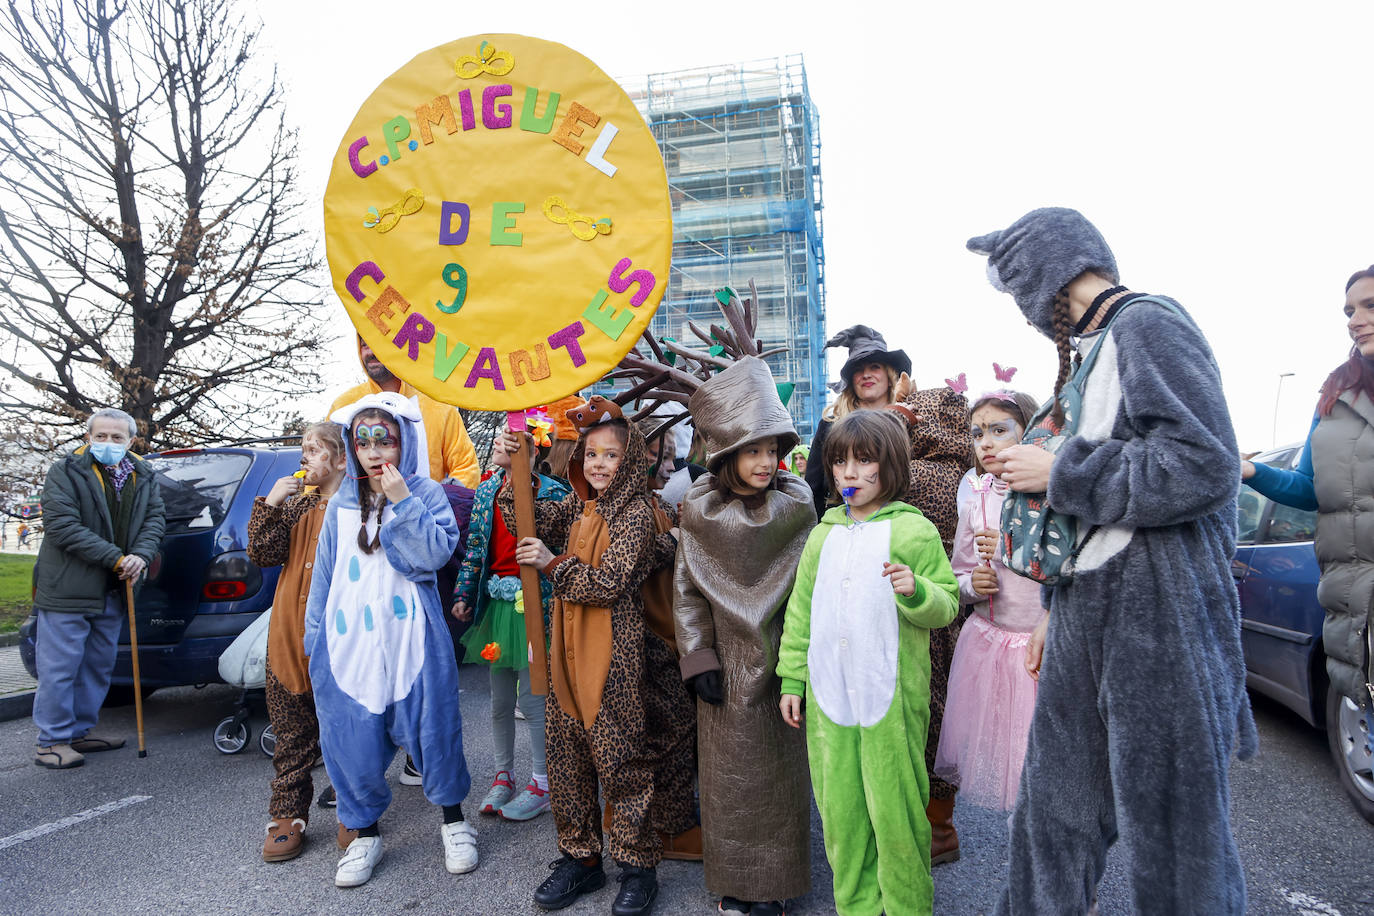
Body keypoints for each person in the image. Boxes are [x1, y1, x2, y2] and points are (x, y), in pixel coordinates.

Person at [967, 207, 1255, 913]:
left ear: (1039, 275)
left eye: (1018, 291)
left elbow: (1205, 465)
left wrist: (1058, 469)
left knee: (1177, 840)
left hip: (1159, 620)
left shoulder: (1147, 324)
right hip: (1088, 614)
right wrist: (1055, 612)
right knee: (1051, 819)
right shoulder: (1096, 345)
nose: (1027, 313)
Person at [500, 396, 681, 916]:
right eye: (592, 455)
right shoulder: (582, 510)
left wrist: (553, 565)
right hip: (567, 655)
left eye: (612, 456)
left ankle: (637, 865)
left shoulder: (638, 517)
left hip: (616, 662)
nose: (599, 464)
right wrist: (521, 465)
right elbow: (525, 519)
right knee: (567, 759)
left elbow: (607, 584)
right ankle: (580, 859)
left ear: (634, 460)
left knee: (622, 761)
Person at [777, 409, 959, 916]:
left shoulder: (914, 531)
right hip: (829, 699)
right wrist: (792, 679)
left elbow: (945, 605)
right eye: (840, 462)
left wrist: (917, 589)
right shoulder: (821, 533)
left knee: (897, 814)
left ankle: (906, 906)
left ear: (891, 466)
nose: (849, 473)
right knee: (842, 814)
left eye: (864, 461)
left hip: (891, 702)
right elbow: (801, 612)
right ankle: (856, 906)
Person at [304, 393, 474, 888]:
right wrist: (315, 644)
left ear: (405, 442)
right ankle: (366, 834)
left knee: (434, 731)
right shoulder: (339, 502)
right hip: (348, 642)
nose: (375, 450)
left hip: (412, 639)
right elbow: (326, 578)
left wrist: (402, 501)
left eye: (386, 439)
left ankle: (454, 822)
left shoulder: (425, 491)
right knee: (350, 740)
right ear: (352, 448)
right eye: (364, 441)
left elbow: (433, 556)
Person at [673, 358, 816, 916]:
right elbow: (687, 589)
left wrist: (800, 662)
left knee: (779, 783)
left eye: (772, 449)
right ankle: (735, 883)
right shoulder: (700, 509)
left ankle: (774, 884)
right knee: (730, 785)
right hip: (725, 672)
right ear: (727, 452)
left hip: (783, 662)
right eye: (752, 449)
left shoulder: (797, 503)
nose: (765, 461)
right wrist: (698, 655)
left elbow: (807, 586)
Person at [1242, 264, 1374, 738]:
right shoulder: (1336, 397)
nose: (1354, 320)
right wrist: (1249, 469)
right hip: (1358, 596)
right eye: (1349, 310)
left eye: (1370, 306)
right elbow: (1308, 490)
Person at [31, 408, 165, 769]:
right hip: (68, 587)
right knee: (60, 667)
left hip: (113, 587)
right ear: (88, 436)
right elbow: (61, 525)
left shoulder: (143, 473)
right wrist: (116, 558)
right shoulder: (66, 470)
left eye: (116, 437)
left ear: (131, 440)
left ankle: (78, 732)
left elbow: (155, 518)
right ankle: (51, 741)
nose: (108, 443)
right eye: (101, 436)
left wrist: (140, 554)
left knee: (97, 665)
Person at [934, 390, 1045, 812]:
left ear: (1031, 433)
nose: (986, 442)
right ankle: (1027, 864)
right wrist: (973, 586)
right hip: (989, 645)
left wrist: (1010, 547)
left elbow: (1070, 564)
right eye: (977, 432)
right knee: (1009, 767)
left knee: (1044, 769)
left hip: (1037, 647)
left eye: (1000, 430)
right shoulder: (974, 490)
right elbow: (958, 572)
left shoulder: (1051, 493)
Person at [452, 430, 570, 822]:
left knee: (535, 698)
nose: (501, 444)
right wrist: (465, 593)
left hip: (535, 605)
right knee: (500, 699)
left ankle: (543, 781)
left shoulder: (553, 494)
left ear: (533, 450)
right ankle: (504, 774)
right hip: (498, 606)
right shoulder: (486, 492)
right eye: (501, 439)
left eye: (512, 441)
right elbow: (474, 549)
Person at [247, 421, 348, 862]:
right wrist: (271, 502)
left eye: (315, 450)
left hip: (340, 639)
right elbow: (263, 553)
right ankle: (287, 813)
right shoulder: (296, 506)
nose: (304, 458)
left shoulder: (355, 509)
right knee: (292, 733)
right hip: (288, 635)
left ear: (342, 459)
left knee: (344, 731)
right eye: (303, 449)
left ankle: (353, 808)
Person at [330, 336, 480, 488]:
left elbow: (466, 468)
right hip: (358, 510)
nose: (371, 352)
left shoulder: (438, 404)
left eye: (378, 342)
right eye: (364, 345)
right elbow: (324, 465)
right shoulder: (343, 405)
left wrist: (439, 504)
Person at [803, 325, 911, 520]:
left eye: (874, 367)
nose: (866, 375)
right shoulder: (831, 424)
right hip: (841, 528)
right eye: (858, 369)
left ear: (889, 376)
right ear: (851, 380)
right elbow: (813, 489)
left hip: (898, 531)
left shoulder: (910, 419)